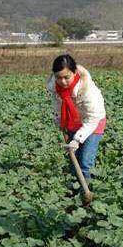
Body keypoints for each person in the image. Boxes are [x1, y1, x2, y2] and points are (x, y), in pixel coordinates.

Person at [46, 54, 106, 183]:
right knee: (74, 160)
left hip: (93, 121)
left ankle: (87, 194)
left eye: (66, 77)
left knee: (84, 162)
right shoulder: (54, 87)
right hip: (72, 120)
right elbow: (58, 104)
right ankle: (74, 191)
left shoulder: (87, 90)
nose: (62, 82)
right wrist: (59, 118)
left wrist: (77, 140)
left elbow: (92, 118)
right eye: (58, 77)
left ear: (74, 73)